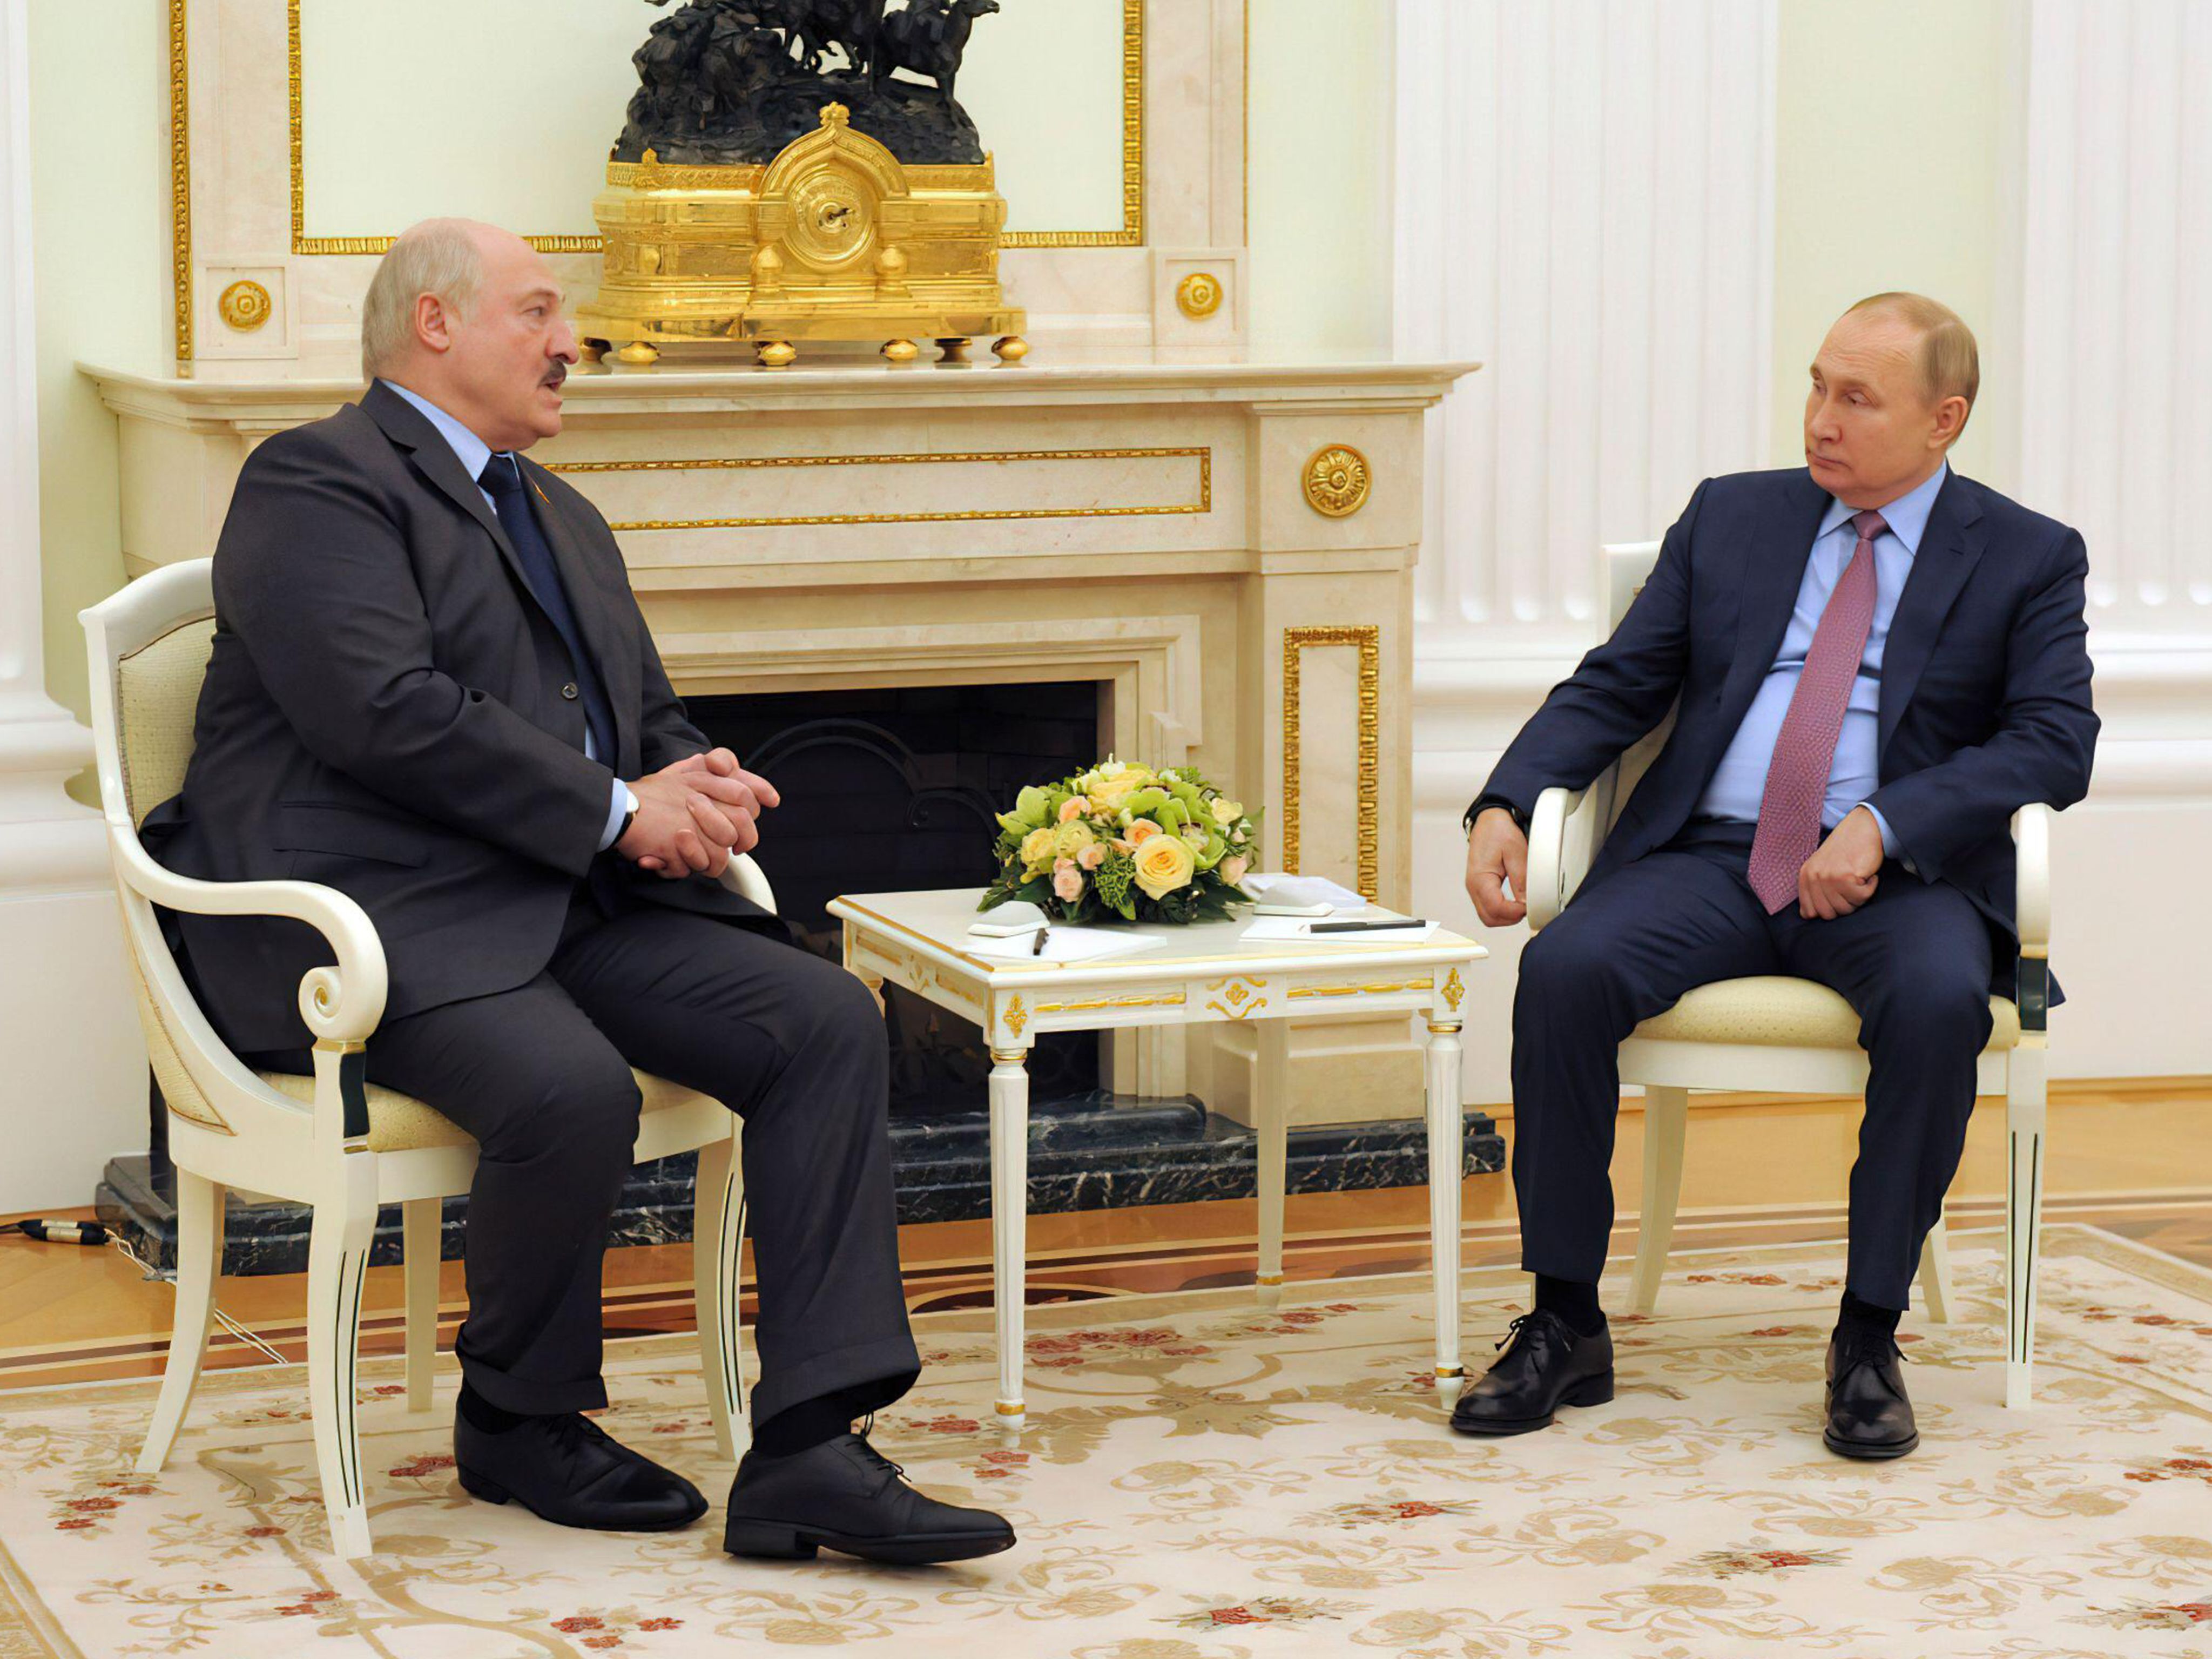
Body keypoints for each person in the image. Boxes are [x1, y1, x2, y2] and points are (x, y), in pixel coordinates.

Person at [137, 218, 1014, 1564]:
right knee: (567, 1088)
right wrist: (617, 809)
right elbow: (384, 711)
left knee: (822, 1019)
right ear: (434, 324)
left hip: (562, 904)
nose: (571, 343)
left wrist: (691, 786)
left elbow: (638, 711)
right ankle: (515, 1413)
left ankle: (809, 1446)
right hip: (376, 923)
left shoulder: (561, 513)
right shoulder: (316, 479)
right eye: (541, 313)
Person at [1455, 293, 2098, 1459]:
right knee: (1562, 970)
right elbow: (1616, 684)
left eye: (1856, 398)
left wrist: (1885, 821)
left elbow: (2054, 740)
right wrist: (1505, 798)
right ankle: (1561, 1320)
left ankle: (1865, 1336)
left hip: (1895, 883)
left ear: (1942, 419)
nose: (1819, 419)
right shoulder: (1733, 518)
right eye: (1815, 386)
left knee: (1940, 1001)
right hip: (1710, 859)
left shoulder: (2024, 556)